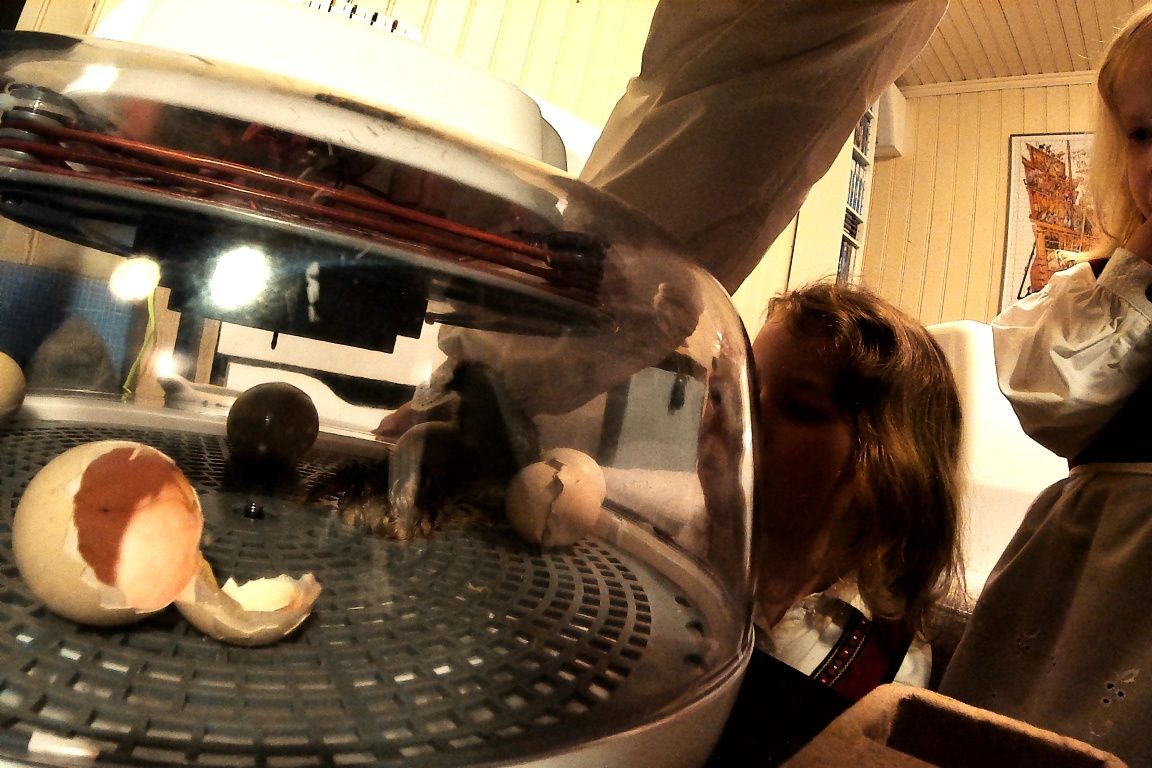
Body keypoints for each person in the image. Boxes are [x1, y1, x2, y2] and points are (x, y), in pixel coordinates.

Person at [939, 5, 1152, 765]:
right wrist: (1136, 266)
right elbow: (1052, 397)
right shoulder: (1106, 287)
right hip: (1091, 562)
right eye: (1142, 134)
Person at [749, 282, 965, 699]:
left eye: (799, 408)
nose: (744, 416)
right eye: (738, 389)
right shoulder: (665, 549)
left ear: (890, 468)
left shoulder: (887, 670)